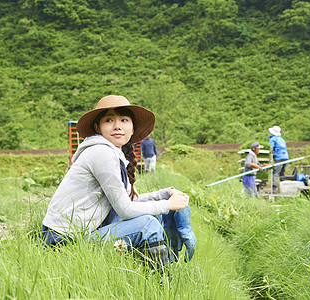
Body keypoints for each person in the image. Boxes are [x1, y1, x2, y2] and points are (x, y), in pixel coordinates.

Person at [41, 95, 195, 275]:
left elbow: (130, 201)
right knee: (148, 224)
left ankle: (166, 267)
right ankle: (162, 284)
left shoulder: (114, 154)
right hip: (64, 242)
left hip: (82, 233)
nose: (117, 125)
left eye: (123, 120)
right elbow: (125, 210)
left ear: (132, 127)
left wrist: (165, 194)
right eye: (109, 120)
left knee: (156, 215)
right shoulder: (101, 153)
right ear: (98, 128)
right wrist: (168, 204)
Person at [268, 125, 289, 193]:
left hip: (279, 157)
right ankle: (284, 188)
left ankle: (274, 189)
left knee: (276, 173)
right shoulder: (282, 139)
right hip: (285, 157)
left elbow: (270, 148)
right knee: (282, 173)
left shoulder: (273, 139)